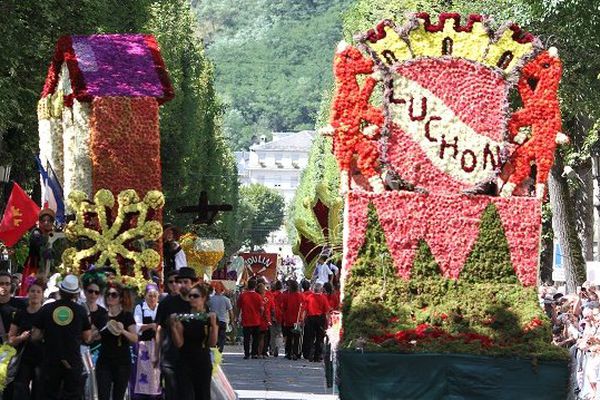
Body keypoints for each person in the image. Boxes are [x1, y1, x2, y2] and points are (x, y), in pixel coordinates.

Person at [32, 274, 92, 400]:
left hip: (50, 360)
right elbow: (87, 337)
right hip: (72, 360)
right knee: (72, 395)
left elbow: (35, 336)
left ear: (60, 290)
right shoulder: (81, 310)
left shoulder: (47, 308)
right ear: (75, 294)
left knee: (49, 394)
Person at [171, 284, 218, 400]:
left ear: (203, 298)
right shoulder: (183, 317)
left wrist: (213, 326)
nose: (191, 298)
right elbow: (179, 343)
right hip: (184, 361)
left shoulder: (208, 317)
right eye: (190, 296)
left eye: (195, 296)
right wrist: (173, 327)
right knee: (185, 395)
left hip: (202, 361)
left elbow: (212, 343)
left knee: (202, 394)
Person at [155, 267, 195, 400]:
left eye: (181, 281)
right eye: (172, 282)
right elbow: (159, 329)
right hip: (170, 356)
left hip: (190, 357)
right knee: (171, 393)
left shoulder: (196, 302)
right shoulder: (166, 303)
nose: (176, 285)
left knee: (188, 393)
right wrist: (156, 354)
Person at [95, 282, 138, 400]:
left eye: (114, 295)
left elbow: (135, 338)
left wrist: (122, 331)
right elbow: (92, 338)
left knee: (118, 397)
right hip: (104, 362)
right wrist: (96, 333)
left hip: (122, 363)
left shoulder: (127, 316)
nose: (110, 297)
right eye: (108, 294)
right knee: (103, 396)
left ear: (120, 298)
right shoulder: (102, 316)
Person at [8, 278, 45, 400]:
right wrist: (21, 337)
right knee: (20, 390)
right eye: (33, 291)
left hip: (42, 359)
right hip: (24, 358)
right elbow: (11, 340)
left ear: (42, 294)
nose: (35, 294)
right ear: (28, 293)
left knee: (39, 392)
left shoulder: (47, 314)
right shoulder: (20, 313)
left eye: (38, 291)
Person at [131, 284, 161, 399]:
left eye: (155, 296)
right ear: (145, 296)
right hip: (144, 345)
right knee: (144, 372)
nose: (152, 298)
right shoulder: (140, 308)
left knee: (156, 373)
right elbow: (136, 326)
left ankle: (157, 395)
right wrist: (150, 326)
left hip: (158, 345)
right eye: (150, 296)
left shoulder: (160, 307)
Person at [302, 283, 331, 362]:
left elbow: (305, 310)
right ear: (321, 289)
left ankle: (309, 353)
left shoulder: (308, 297)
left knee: (310, 337)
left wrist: (302, 320)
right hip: (320, 319)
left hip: (310, 318)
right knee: (319, 338)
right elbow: (327, 312)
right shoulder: (323, 298)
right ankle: (317, 356)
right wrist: (328, 322)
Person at [236, 279, 263, 359]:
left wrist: (237, 317)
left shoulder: (243, 295)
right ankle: (254, 353)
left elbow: (238, 307)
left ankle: (246, 353)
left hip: (246, 320)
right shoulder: (258, 296)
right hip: (256, 320)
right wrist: (260, 315)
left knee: (246, 338)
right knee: (256, 338)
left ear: (248, 285)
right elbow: (261, 308)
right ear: (255, 286)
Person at [208, 281, 233, 353]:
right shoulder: (226, 300)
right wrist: (231, 321)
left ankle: (213, 351)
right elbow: (230, 311)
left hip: (213, 321)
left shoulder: (210, 299)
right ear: (223, 289)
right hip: (223, 321)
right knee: (221, 338)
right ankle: (219, 352)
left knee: (213, 337)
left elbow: (206, 308)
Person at [281, 280, 304, 360]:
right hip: (297, 319)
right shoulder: (300, 296)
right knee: (296, 337)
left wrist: (284, 317)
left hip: (288, 318)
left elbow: (283, 308)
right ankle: (295, 352)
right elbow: (303, 307)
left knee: (289, 337)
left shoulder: (287, 296)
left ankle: (288, 352)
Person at [256, 283, 271, 359]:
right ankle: (261, 352)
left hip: (256, 319)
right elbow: (266, 310)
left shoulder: (256, 297)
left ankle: (256, 352)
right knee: (262, 337)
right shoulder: (265, 299)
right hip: (263, 320)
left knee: (257, 337)